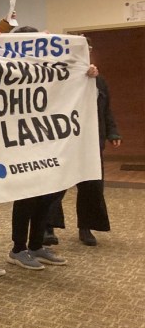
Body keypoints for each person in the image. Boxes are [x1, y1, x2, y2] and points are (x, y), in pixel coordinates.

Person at [6, 27, 99, 270]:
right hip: (22, 144)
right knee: (26, 199)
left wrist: (85, 74)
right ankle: (18, 248)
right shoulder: (6, 66)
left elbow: (67, 79)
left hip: (47, 143)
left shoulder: (47, 66)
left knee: (46, 197)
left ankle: (36, 245)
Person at [45, 72, 121, 246]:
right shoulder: (61, 76)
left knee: (92, 186)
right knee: (56, 185)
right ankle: (47, 226)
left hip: (92, 141)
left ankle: (86, 227)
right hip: (65, 141)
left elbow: (106, 108)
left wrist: (112, 131)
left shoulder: (98, 80)